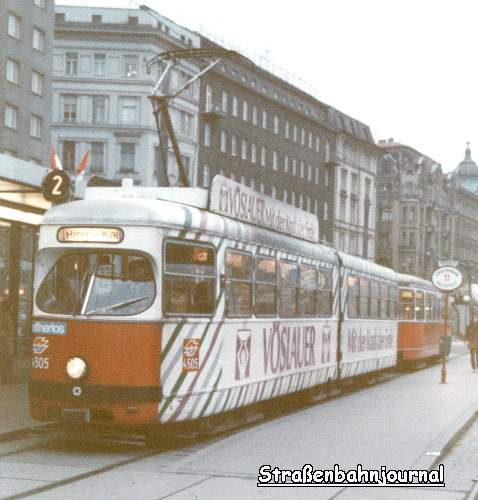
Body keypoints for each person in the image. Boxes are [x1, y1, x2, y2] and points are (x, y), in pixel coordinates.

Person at [0, 298, 15, 384]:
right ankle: (3, 378)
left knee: (6, 360)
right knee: (4, 360)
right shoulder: (3, 316)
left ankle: (5, 377)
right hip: (4, 342)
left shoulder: (6, 316)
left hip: (7, 341)